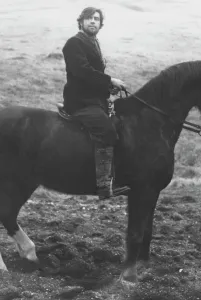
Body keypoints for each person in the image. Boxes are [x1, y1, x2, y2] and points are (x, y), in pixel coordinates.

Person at [62, 7, 130, 199]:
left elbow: (93, 78)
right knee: (106, 130)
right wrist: (110, 81)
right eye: (89, 18)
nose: (93, 21)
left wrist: (108, 89)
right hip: (80, 102)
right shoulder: (74, 43)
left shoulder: (93, 42)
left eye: (97, 19)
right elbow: (82, 72)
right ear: (81, 22)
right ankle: (103, 186)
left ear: (100, 24)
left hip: (94, 101)